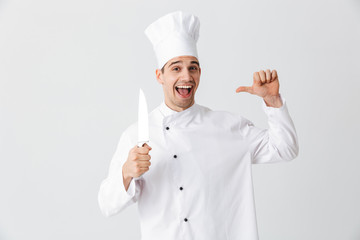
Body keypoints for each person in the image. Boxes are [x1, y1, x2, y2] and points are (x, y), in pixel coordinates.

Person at [98, 10, 299, 240]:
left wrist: (273, 101)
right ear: (159, 76)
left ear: (200, 72)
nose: (186, 76)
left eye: (192, 67)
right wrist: (126, 173)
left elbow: (286, 148)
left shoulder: (229, 127)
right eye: (176, 68)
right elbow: (106, 205)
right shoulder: (136, 135)